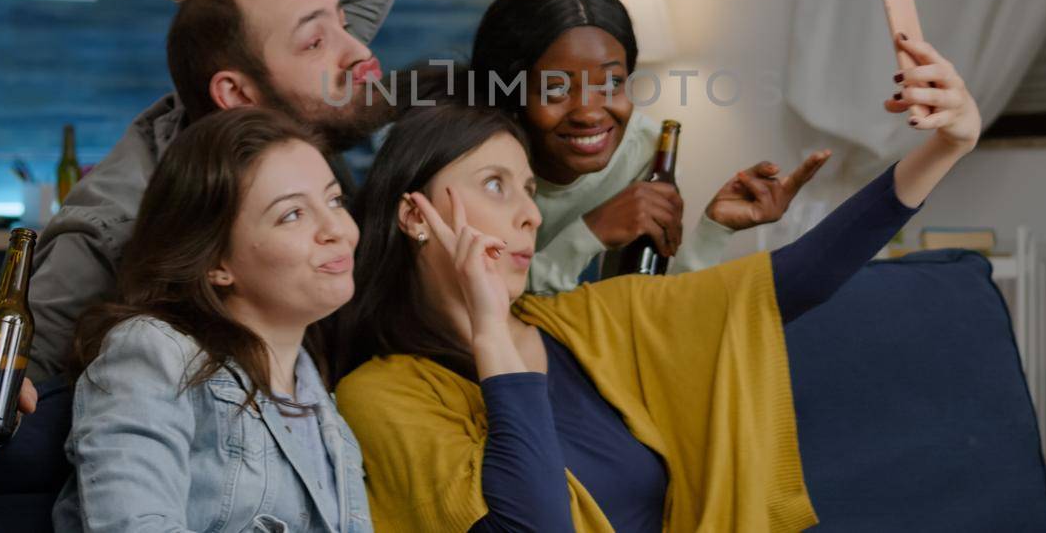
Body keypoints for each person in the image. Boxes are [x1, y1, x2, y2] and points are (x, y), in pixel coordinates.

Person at [333, 32, 981, 530]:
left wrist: (946, 148)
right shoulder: (380, 396)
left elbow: (793, 282)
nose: (530, 213)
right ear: (416, 215)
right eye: (496, 186)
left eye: (529, 190)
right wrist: (492, 338)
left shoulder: (585, 323)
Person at [0, 0, 405, 460]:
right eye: (315, 38)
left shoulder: (299, 90)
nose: (360, 49)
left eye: (341, 22)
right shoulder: (123, 217)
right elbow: (3, 356)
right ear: (237, 94)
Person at [53, 107, 370, 533]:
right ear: (216, 262)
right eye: (292, 214)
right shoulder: (153, 351)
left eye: (334, 200)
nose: (337, 228)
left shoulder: (318, 398)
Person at [467, 0, 826, 292]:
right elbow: (480, 295)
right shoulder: (473, 158)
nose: (590, 112)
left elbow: (642, 313)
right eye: (556, 88)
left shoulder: (645, 153)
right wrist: (589, 233)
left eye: (612, 82)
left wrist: (715, 229)